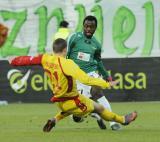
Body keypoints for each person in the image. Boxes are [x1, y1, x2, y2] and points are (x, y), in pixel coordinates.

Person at [9, 38, 137, 132]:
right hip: (73, 101)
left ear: (53, 49)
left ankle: (54, 120)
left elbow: (28, 60)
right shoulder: (67, 64)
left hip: (61, 100)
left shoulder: (45, 58)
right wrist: (106, 84)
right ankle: (122, 120)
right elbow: (86, 79)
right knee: (99, 109)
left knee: (75, 107)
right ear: (65, 50)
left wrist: (13, 61)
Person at [67, 15, 121, 130]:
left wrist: (106, 76)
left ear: (95, 28)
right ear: (83, 26)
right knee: (77, 117)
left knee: (98, 93)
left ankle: (113, 123)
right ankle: (96, 114)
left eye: (91, 27)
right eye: (86, 26)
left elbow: (98, 61)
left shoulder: (96, 44)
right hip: (76, 77)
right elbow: (66, 56)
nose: (88, 29)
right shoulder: (74, 38)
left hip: (90, 73)